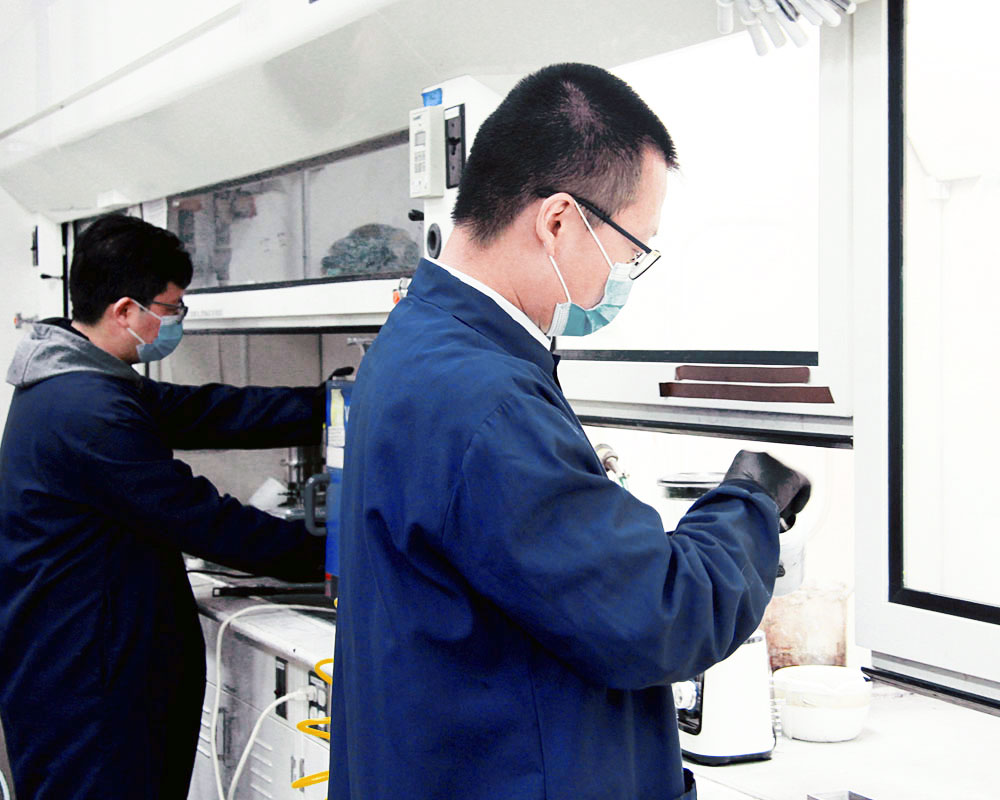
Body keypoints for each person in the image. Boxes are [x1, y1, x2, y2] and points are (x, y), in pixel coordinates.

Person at [328, 63, 811, 800]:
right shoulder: (485, 401)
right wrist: (752, 500)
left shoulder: (418, 343)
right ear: (557, 221)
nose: (627, 275)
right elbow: (661, 614)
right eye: (632, 248)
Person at [0, 214, 327, 799]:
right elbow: (203, 520)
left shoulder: (76, 379)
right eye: (172, 308)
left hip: (78, 669)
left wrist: (335, 403)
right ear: (126, 310)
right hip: (88, 688)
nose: (177, 320)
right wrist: (338, 554)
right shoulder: (88, 411)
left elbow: (208, 412)